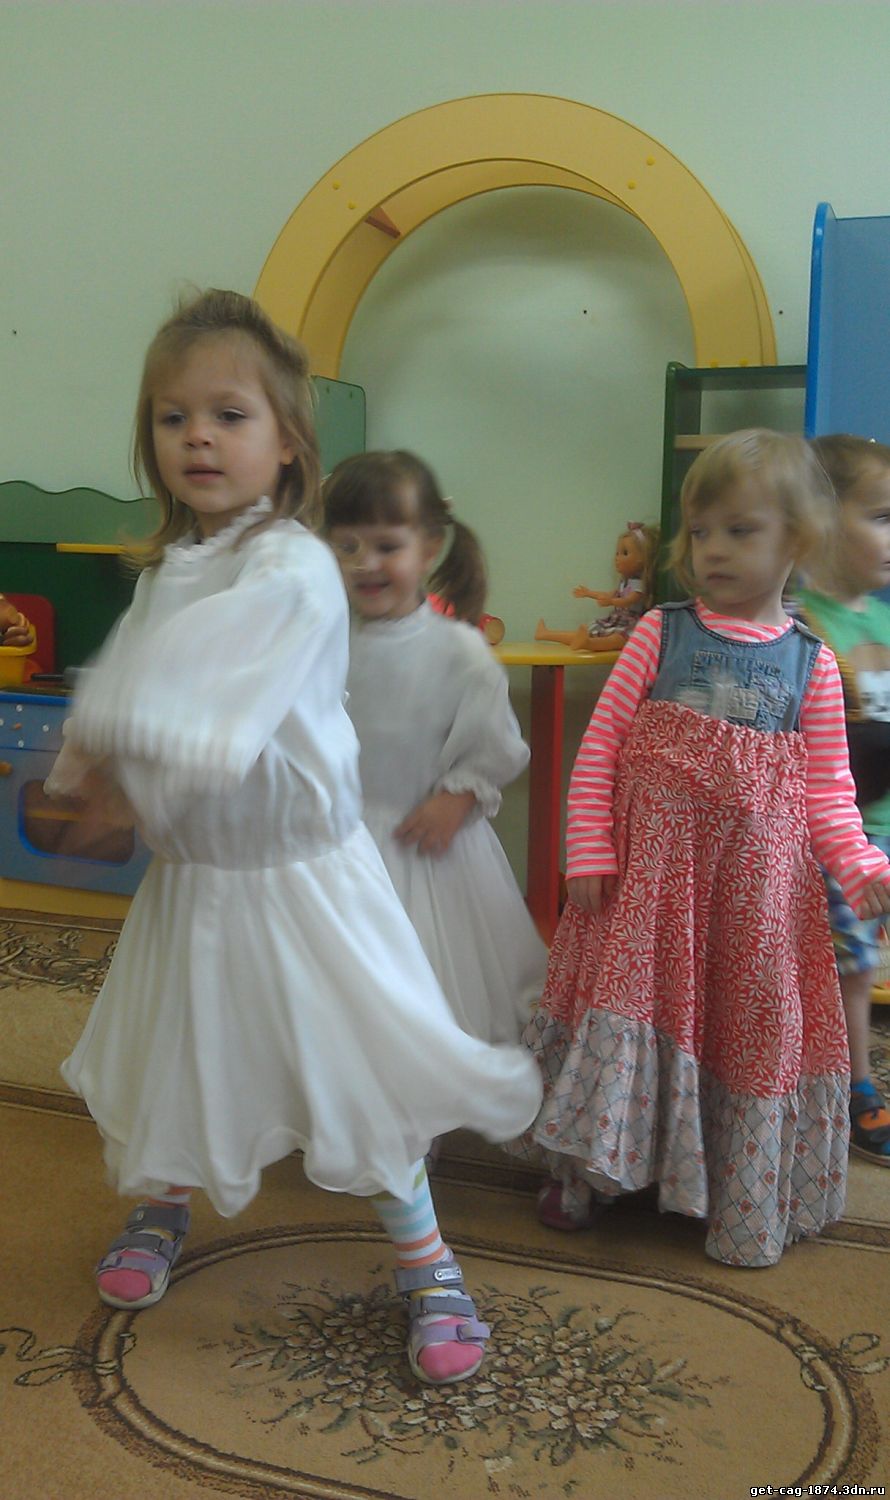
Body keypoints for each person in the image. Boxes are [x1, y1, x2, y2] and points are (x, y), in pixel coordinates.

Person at [45, 290, 542, 1386]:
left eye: (228, 415)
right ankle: (164, 1202)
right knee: (180, 1047)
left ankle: (426, 1259)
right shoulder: (170, 572)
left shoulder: (293, 568)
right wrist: (88, 763)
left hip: (297, 878)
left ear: (286, 444)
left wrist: (123, 772)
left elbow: (213, 696)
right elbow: (130, 674)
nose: (198, 438)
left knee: (353, 1066)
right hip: (196, 880)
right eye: (173, 417)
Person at [508, 429, 890, 1268]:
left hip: (752, 904)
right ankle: (585, 1171)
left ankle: (725, 1184)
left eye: (739, 530)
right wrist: (587, 849)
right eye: (701, 529)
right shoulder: (660, 632)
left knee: (739, 1032)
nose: (712, 548)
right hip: (646, 892)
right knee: (626, 1013)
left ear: (797, 540)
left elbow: (828, 794)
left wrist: (864, 867)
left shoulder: (814, 666)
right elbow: (600, 750)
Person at [323, 450, 547, 1047]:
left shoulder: (459, 652)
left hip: (422, 845)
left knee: (422, 991)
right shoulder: (327, 639)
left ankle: (423, 1086)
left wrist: (458, 796)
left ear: (428, 547)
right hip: (340, 842)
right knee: (341, 992)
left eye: (386, 546)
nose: (366, 563)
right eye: (347, 546)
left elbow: (496, 745)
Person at [796, 433, 890, 1165]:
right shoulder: (801, 622)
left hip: (880, 826)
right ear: (824, 520)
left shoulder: (881, 621)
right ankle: (856, 1086)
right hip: (831, 833)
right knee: (849, 965)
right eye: (881, 516)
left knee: (861, 961)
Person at [534, 521, 660, 654]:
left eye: (624, 553)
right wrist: (589, 593)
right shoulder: (625, 582)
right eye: (617, 553)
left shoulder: (639, 585)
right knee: (591, 632)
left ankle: (587, 643)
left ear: (642, 559)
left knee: (617, 640)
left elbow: (628, 601)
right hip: (617, 620)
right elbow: (609, 595)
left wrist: (611, 601)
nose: (617, 558)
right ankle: (545, 634)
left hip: (630, 624)